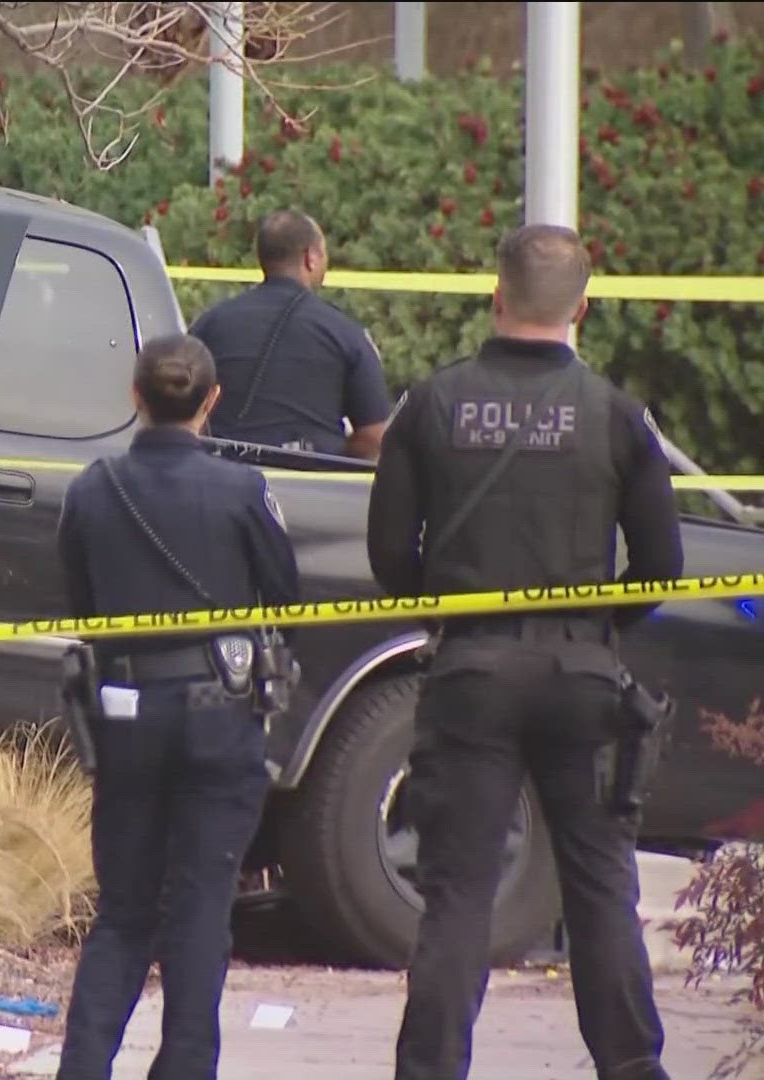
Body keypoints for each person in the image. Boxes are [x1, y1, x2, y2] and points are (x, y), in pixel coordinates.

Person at [366, 223, 684, 1080]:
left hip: (470, 674)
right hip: (582, 675)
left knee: (459, 893)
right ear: (582, 306)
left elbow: (389, 555)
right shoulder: (619, 417)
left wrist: (450, 609)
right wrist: (593, 625)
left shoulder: (430, 406)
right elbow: (662, 564)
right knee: (599, 885)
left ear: (496, 294)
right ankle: (632, 1067)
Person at [54, 333, 301, 1079]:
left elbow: (81, 604)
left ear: (136, 397)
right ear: (211, 401)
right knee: (200, 913)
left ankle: (84, 1067)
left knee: (125, 913)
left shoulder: (92, 489)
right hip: (218, 716)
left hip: (126, 714)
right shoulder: (242, 490)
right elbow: (284, 594)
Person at [188, 209, 394, 460]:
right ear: (311, 258)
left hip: (221, 478)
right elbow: (375, 437)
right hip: (312, 487)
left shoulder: (210, 323)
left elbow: (179, 413)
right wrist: (333, 459)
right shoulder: (344, 332)